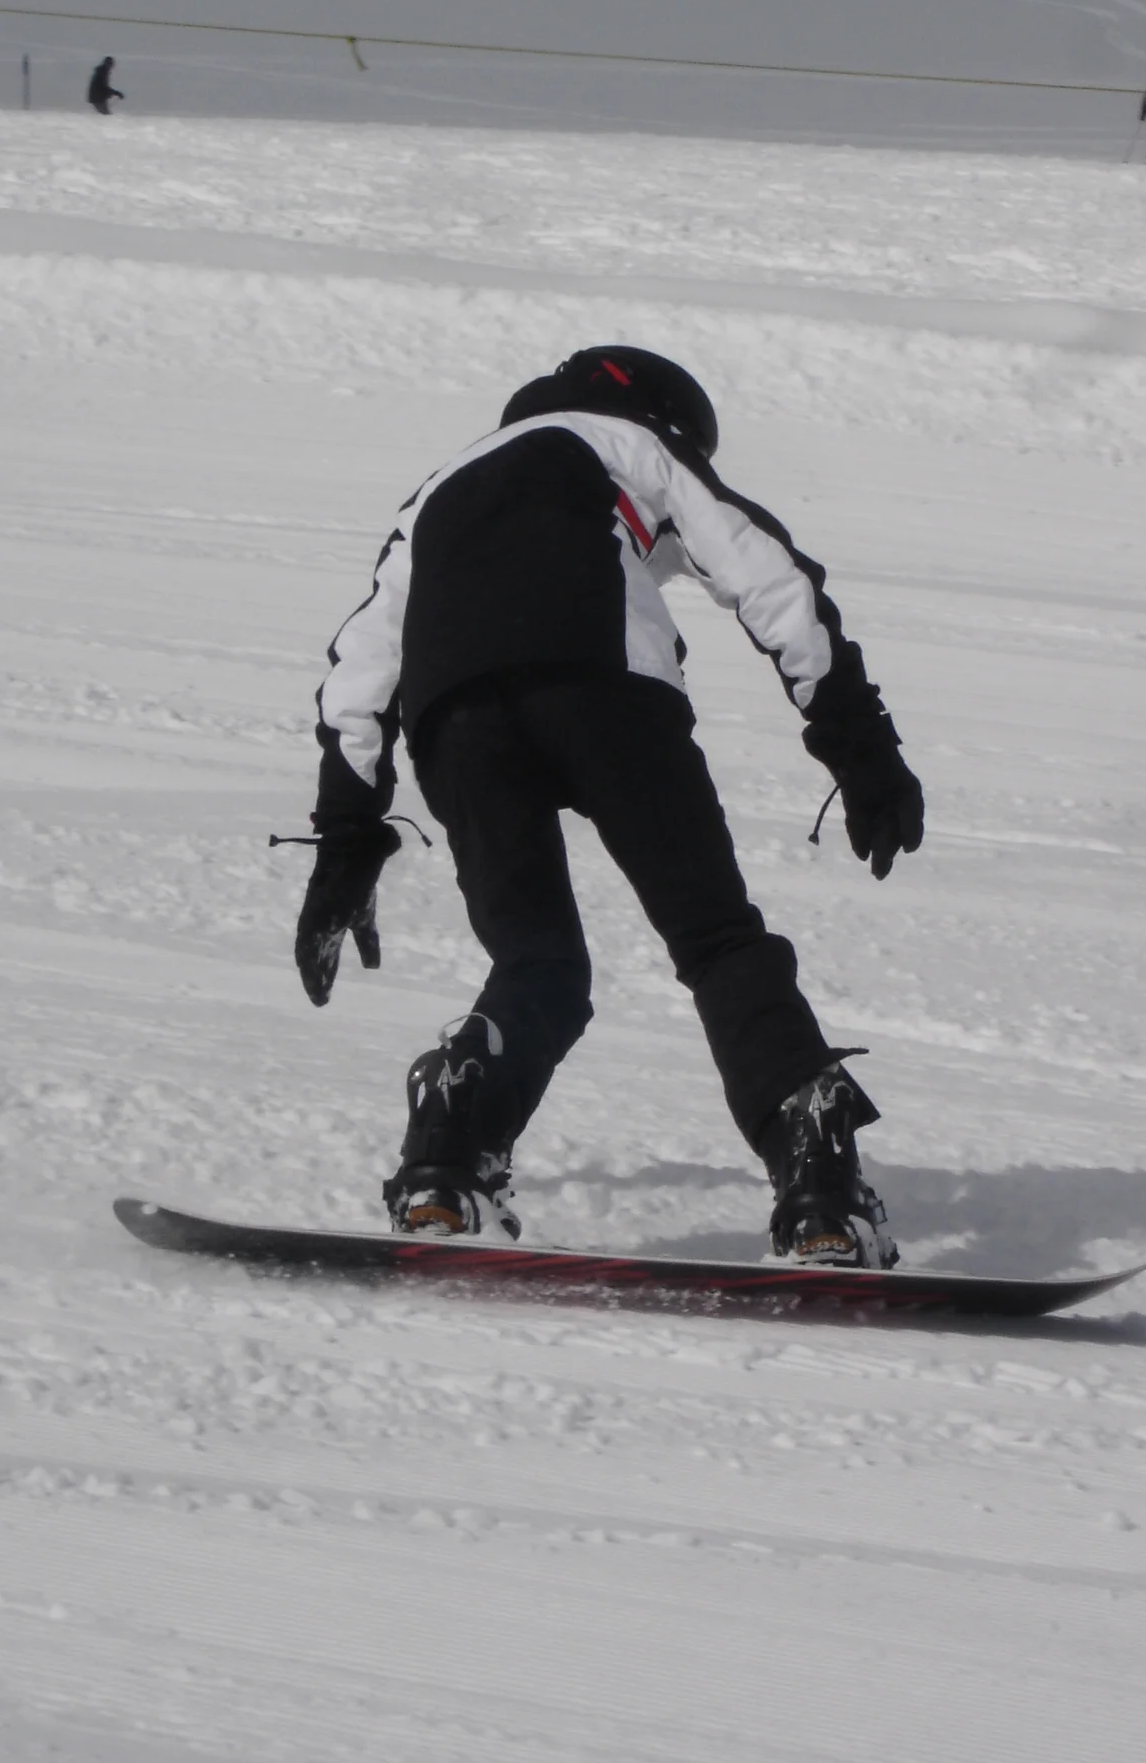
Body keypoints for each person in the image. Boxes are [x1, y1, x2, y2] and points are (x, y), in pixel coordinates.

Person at [295, 347, 924, 1267]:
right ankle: (818, 1184)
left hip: (454, 720)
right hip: (603, 688)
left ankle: (448, 1156)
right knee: (715, 940)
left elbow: (359, 668)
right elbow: (770, 581)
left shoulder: (437, 489)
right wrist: (858, 744)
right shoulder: (631, 441)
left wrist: (347, 839)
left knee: (538, 965)